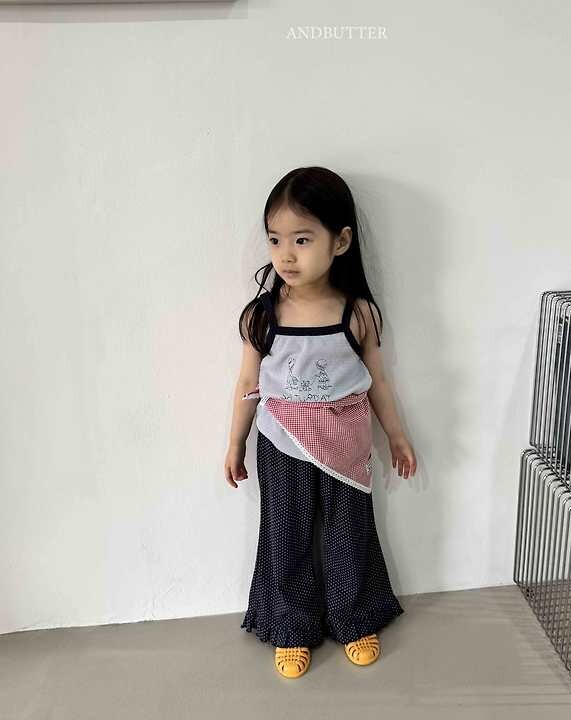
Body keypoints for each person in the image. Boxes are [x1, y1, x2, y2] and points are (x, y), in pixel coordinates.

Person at [224, 166, 417, 679]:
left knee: (349, 531)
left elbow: (377, 381)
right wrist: (235, 444)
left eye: (302, 239)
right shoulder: (261, 316)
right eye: (275, 239)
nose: (286, 255)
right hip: (281, 442)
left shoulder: (358, 314)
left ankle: (354, 619)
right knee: (286, 533)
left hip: (346, 443)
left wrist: (397, 435)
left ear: (341, 242)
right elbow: (247, 384)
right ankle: (291, 626)